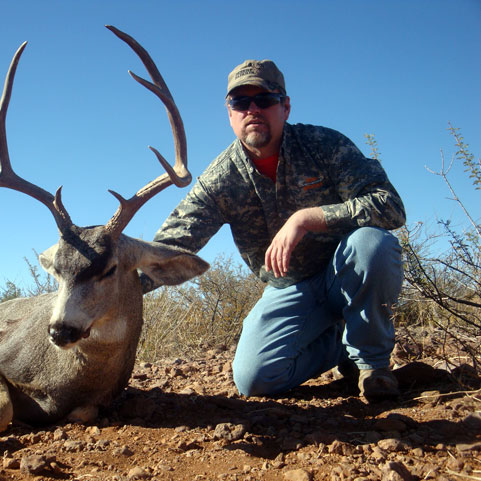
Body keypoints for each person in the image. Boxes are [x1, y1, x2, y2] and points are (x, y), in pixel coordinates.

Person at [141, 59, 406, 401]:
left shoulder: (324, 145)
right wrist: (111, 283)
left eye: (264, 99)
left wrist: (308, 218)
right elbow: (170, 247)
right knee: (255, 380)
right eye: (240, 102)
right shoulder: (219, 179)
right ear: (230, 113)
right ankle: (343, 344)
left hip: (344, 273)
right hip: (289, 288)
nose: (253, 109)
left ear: (285, 106)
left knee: (374, 245)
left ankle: (372, 367)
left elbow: (390, 206)